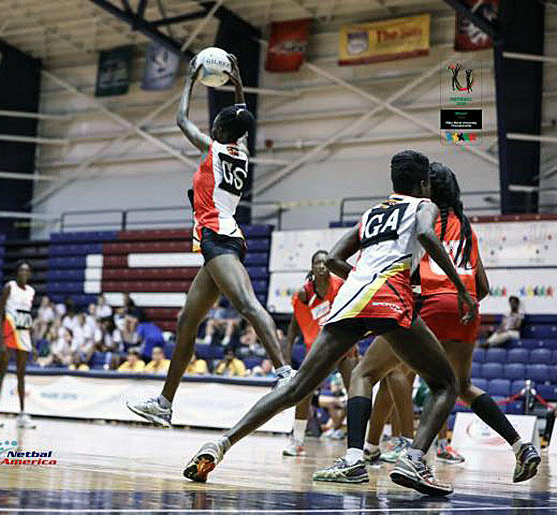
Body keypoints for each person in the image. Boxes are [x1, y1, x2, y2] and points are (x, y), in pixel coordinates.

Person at [182, 150, 478, 496]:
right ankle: (414, 459)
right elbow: (427, 234)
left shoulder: (372, 213)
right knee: (446, 384)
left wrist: (363, 282)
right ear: (424, 183)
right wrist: (461, 288)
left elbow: (335, 258)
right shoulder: (424, 206)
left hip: (351, 299)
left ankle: (220, 444)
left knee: (296, 387)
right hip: (390, 298)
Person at [126, 54, 292, 428]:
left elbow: (181, 120)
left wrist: (189, 79)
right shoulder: (241, 151)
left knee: (247, 303)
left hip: (219, 237)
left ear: (218, 129)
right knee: (187, 320)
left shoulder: (214, 148)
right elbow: (243, 118)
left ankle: (285, 372)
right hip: (217, 241)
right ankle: (164, 403)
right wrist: (237, 82)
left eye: (216, 123)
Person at [363, 163, 540, 480]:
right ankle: (520, 446)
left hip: (429, 304)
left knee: (368, 371)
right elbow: (482, 287)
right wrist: (460, 302)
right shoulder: (467, 229)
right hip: (464, 309)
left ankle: (365, 452)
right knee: (461, 386)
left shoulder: (421, 219)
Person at [282, 250, 358, 457]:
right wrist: (286, 363)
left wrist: (354, 341)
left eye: (325, 262)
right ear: (312, 267)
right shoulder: (304, 295)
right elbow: (292, 333)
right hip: (320, 348)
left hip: (344, 344)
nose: (322, 266)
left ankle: (361, 445)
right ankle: (297, 441)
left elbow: (354, 315)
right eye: (317, 263)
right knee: (303, 391)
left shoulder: (341, 285)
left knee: (357, 391)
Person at [0, 261, 36, 429]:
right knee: (2, 372)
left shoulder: (31, 291)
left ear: (30, 274)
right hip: (9, 331)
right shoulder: (10, 287)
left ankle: (22, 414)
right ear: (17, 273)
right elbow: (0, 311)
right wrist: (1, 339)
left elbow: (27, 315)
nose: (24, 273)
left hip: (23, 333)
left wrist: (31, 341)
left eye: (27, 270)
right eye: (21, 270)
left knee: (21, 375)